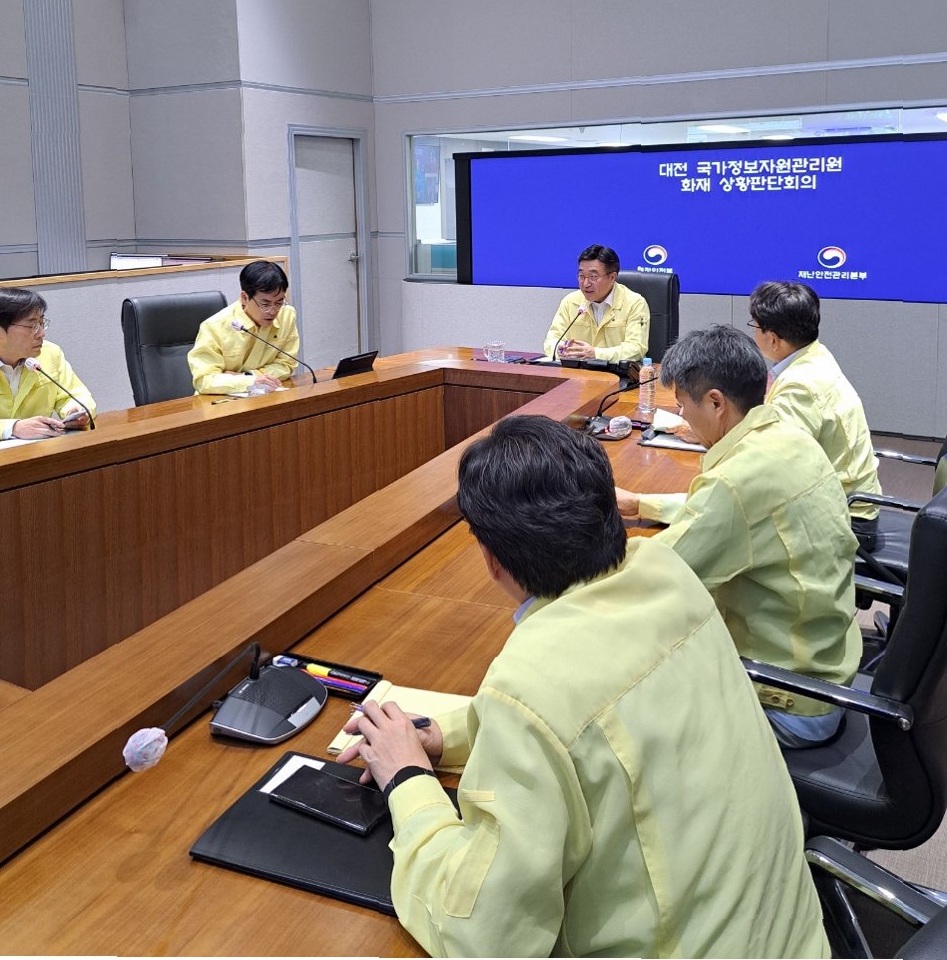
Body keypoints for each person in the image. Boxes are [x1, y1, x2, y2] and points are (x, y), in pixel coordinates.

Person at [337, 414, 830, 959]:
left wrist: (407, 778)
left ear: (491, 559)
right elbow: (586, 722)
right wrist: (444, 736)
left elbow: (483, 937)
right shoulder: (667, 572)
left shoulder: (530, 682)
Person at [616, 325, 861, 750]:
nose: (681, 418)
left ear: (716, 403)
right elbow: (731, 512)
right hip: (828, 667)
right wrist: (642, 504)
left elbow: (650, 578)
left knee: (621, 709)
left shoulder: (735, 483)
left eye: (682, 406)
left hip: (789, 699)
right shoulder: (788, 438)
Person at [749, 280, 882, 552]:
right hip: (848, 501)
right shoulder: (815, 354)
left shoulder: (800, 386)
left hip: (846, 520)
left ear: (772, 339)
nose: (752, 332)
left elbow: (777, 466)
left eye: (755, 325)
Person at [0, 288, 96, 440]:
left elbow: (76, 395)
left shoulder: (50, 353)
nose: (41, 333)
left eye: (41, 323)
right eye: (32, 326)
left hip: (39, 450)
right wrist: (12, 428)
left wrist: (75, 410)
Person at [187, 260, 300, 395]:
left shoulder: (286, 316)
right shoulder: (214, 326)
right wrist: (250, 381)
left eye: (279, 302)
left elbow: (286, 364)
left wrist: (248, 376)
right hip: (219, 400)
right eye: (265, 304)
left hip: (265, 395)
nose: (273, 311)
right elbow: (204, 380)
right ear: (245, 298)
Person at [542, 244, 649, 362]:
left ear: (612, 277)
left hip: (615, 372)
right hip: (577, 371)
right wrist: (562, 350)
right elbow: (551, 341)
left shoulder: (634, 303)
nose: (585, 284)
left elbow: (636, 349)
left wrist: (595, 354)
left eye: (593, 277)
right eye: (581, 276)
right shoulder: (570, 302)